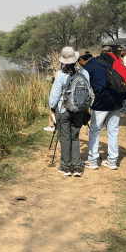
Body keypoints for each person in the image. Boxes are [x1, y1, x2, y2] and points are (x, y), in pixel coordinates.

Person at [80, 51, 126, 170]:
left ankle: (93, 160)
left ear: (81, 59)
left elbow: (85, 88)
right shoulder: (104, 62)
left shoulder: (86, 68)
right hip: (117, 100)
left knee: (95, 131)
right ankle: (112, 161)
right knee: (113, 131)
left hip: (101, 101)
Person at [48, 47, 90, 177]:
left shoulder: (60, 74)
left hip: (63, 109)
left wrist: (51, 108)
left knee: (65, 138)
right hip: (79, 110)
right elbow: (88, 92)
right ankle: (77, 167)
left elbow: (54, 97)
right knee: (75, 137)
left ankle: (65, 167)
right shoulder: (84, 72)